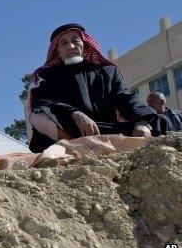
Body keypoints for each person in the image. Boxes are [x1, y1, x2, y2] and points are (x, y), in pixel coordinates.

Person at [28, 23, 168, 152]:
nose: (70, 46)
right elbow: (41, 102)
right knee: (38, 115)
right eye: (64, 43)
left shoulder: (107, 71)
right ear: (57, 51)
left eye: (75, 41)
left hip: (104, 130)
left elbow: (125, 98)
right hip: (69, 131)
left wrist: (142, 122)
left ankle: (99, 144)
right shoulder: (47, 76)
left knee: (159, 121)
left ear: (85, 45)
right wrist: (73, 112)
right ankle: (78, 146)